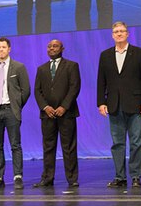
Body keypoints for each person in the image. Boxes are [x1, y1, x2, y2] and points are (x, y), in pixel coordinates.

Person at [97, 21, 141, 188]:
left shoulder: (139, 53)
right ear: (112, 35)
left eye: (122, 31)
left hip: (135, 105)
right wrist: (101, 102)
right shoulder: (105, 55)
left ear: (127, 34)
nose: (119, 34)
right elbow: (101, 81)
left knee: (136, 142)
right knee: (117, 143)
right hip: (114, 105)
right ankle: (120, 177)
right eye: (116, 31)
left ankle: (135, 176)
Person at [33, 39, 81, 188]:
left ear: (62, 48)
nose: (52, 48)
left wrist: (64, 107)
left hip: (66, 113)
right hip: (48, 115)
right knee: (48, 147)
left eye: (55, 46)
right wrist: (45, 107)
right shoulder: (41, 69)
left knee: (69, 147)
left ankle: (72, 178)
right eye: (49, 46)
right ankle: (47, 178)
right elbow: (37, 90)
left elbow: (75, 87)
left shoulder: (72, 66)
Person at [0, 37, 31, 190]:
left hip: (11, 110)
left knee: (15, 145)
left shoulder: (18, 67)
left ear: (9, 49)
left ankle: (18, 176)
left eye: (4, 47)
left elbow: (26, 90)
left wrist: (16, 105)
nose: (1, 50)